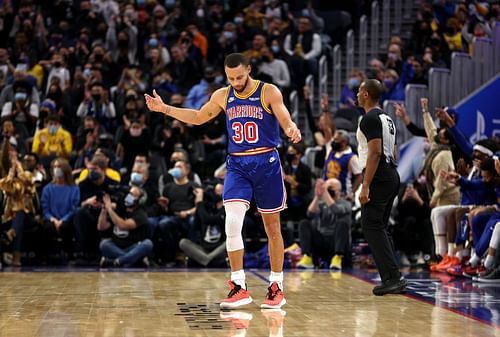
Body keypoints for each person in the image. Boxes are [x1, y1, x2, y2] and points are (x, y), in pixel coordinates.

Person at [145, 53, 301, 309]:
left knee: (272, 228)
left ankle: (276, 286)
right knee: (231, 222)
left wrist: (291, 128)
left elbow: (284, 117)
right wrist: (164, 109)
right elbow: (197, 117)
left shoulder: (268, 91)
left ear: (249, 70)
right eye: (231, 78)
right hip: (237, 164)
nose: (236, 81)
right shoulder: (222, 95)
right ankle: (239, 286)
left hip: (266, 163)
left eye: (240, 76)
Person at [356, 79, 407, 296]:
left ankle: (392, 278)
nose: (357, 94)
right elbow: (393, 151)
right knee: (380, 227)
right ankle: (393, 277)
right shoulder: (387, 119)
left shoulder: (369, 118)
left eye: (359, 90)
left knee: (371, 226)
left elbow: (375, 152)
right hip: (390, 172)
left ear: (366, 94)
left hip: (379, 175)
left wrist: (365, 185)